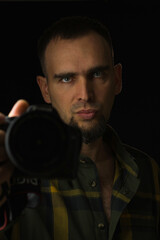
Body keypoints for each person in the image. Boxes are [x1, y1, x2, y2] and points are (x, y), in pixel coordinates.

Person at [0, 16, 159, 240]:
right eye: (66, 79)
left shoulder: (150, 172)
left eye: (97, 74)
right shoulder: (13, 175)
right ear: (45, 89)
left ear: (117, 79)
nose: (85, 94)